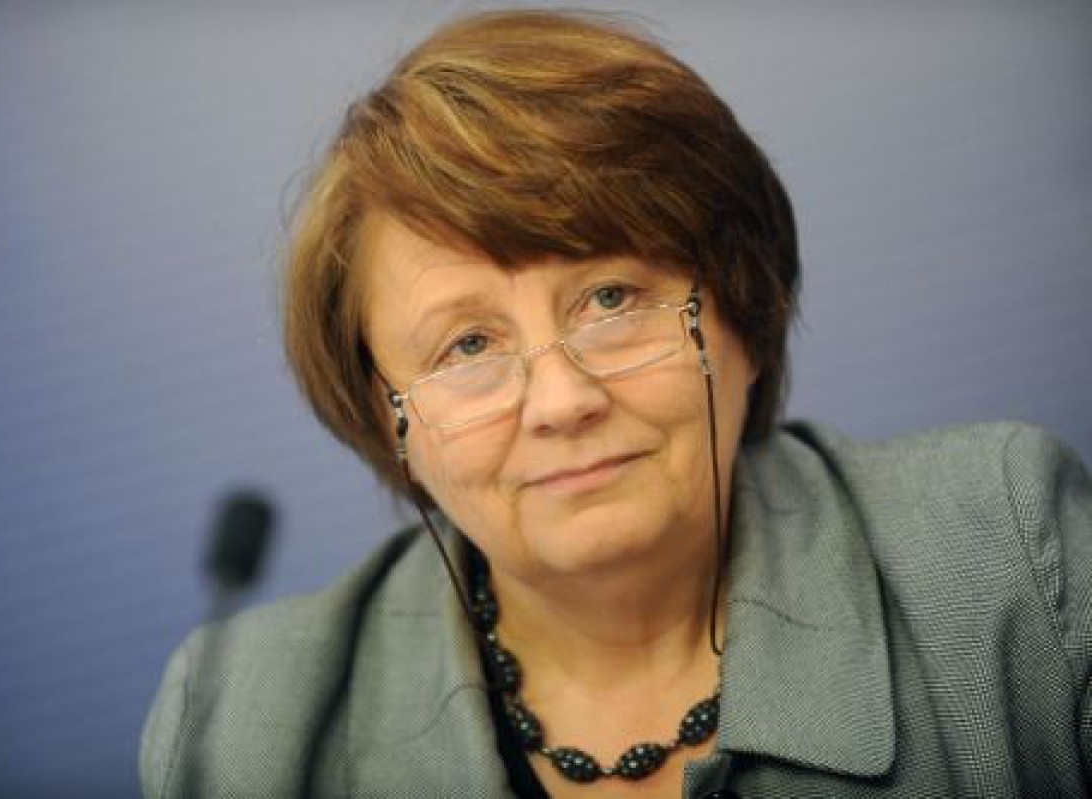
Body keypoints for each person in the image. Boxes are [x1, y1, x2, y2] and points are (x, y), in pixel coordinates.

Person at [140, 10, 1091, 798]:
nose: (561, 402)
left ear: (745, 312)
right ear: (392, 424)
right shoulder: (242, 729)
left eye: (611, 299)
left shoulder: (1009, 557)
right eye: (467, 346)